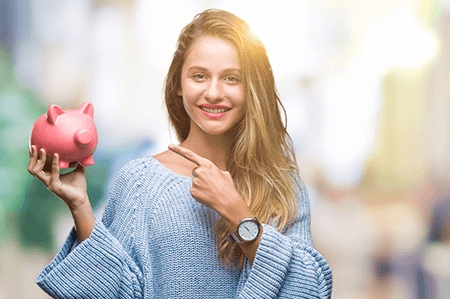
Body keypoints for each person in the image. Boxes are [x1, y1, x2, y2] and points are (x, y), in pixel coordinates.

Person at [28, 8, 332, 298]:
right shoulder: (140, 181)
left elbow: (311, 291)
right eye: (199, 76)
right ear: (178, 85)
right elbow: (117, 293)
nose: (213, 92)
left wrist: (237, 213)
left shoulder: (282, 187)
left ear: (252, 87)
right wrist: (80, 205)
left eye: (231, 78)